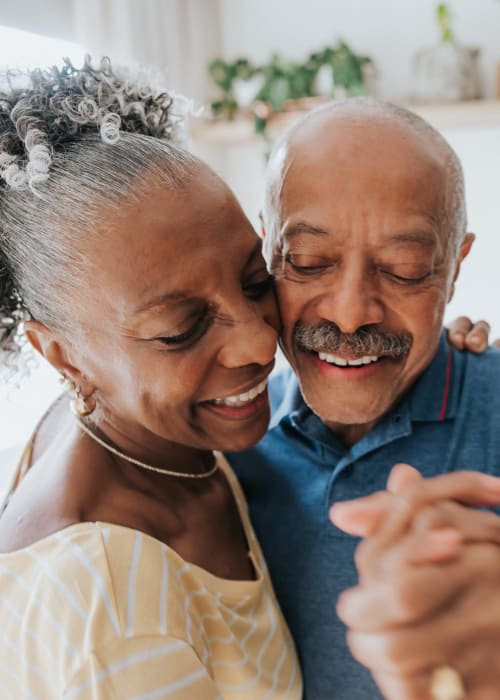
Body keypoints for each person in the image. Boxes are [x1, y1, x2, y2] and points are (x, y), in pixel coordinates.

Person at [0, 57, 302, 699]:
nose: (258, 342)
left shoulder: (143, 432)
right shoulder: (107, 607)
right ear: (64, 357)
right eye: (182, 329)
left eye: (255, 282)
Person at [227, 97, 500, 700]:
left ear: (455, 268)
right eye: (308, 261)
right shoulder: (226, 444)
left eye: (404, 269)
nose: (350, 313)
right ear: (267, 249)